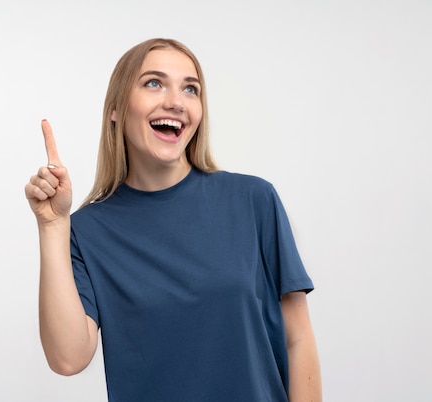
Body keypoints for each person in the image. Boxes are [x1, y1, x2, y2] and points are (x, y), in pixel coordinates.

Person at [25, 38, 322, 402]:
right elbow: (68, 358)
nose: (175, 102)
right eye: (153, 83)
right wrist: (53, 226)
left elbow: (298, 339)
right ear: (117, 108)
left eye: (190, 89)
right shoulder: (86, 232)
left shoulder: (253, 200)